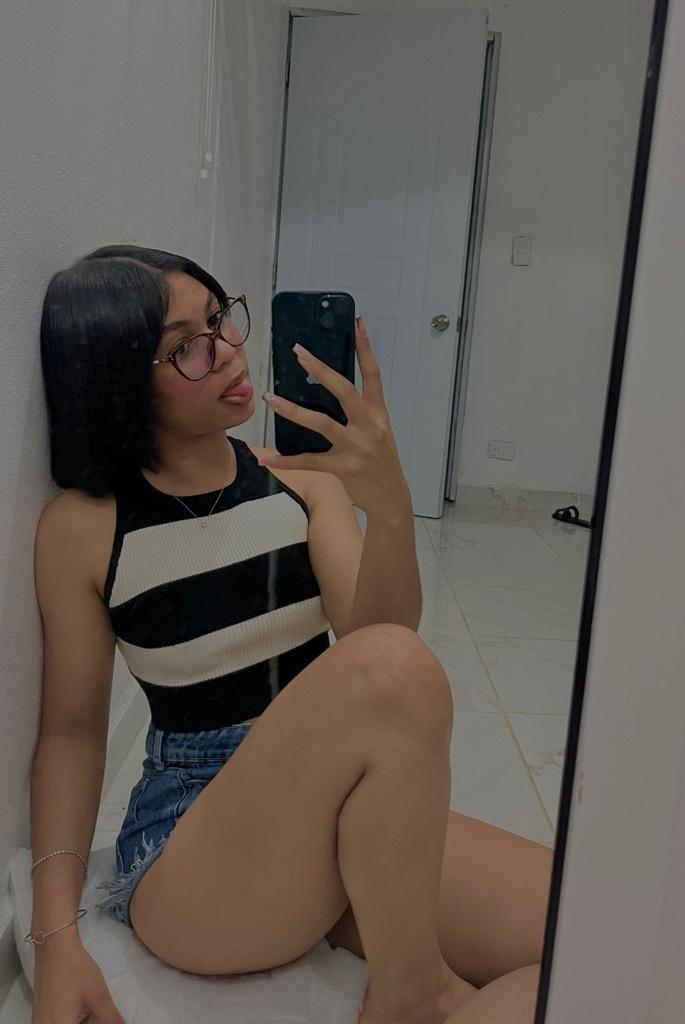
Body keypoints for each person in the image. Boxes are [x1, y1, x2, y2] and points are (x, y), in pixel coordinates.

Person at [29, 244, 553, 1024]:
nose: (227, 350)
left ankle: (423, 995)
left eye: (220, 319)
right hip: (191, 843)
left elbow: (381, 645)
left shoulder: (300, 480)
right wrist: (54, 939)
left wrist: (390, 505)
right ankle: (413, 994)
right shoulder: (86, 527)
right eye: (185, 347)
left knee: (597, 926)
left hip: (340, 803)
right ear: (117, 379)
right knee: (389, 665)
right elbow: (71, 733)